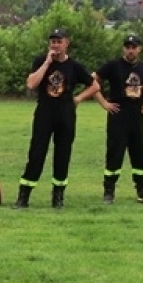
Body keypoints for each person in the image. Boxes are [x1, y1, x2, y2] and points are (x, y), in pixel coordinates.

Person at [13, 28, 95, 209]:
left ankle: (58, 196)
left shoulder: (74, 66)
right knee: (37, 153)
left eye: (59, 42)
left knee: (62, 154)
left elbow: (94, 85)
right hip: (45, 112)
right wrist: (47, 63)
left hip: (65, 113)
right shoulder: (41, 61)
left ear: (67, 43)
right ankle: (24, 196)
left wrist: (78, 98)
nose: (56, 45)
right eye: (53, 42)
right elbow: (31, 84)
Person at [80, 33, 143, 205]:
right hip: (118, 115)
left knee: (139, 154)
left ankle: (142, 191)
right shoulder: (113, 66)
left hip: (137, 116)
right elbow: (92, 81)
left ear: (139, 49)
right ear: (124, 49)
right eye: (128, 47)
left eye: (134, 47)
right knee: (115, 153)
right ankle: (109, 191)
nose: (131, 50)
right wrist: (104, 103)